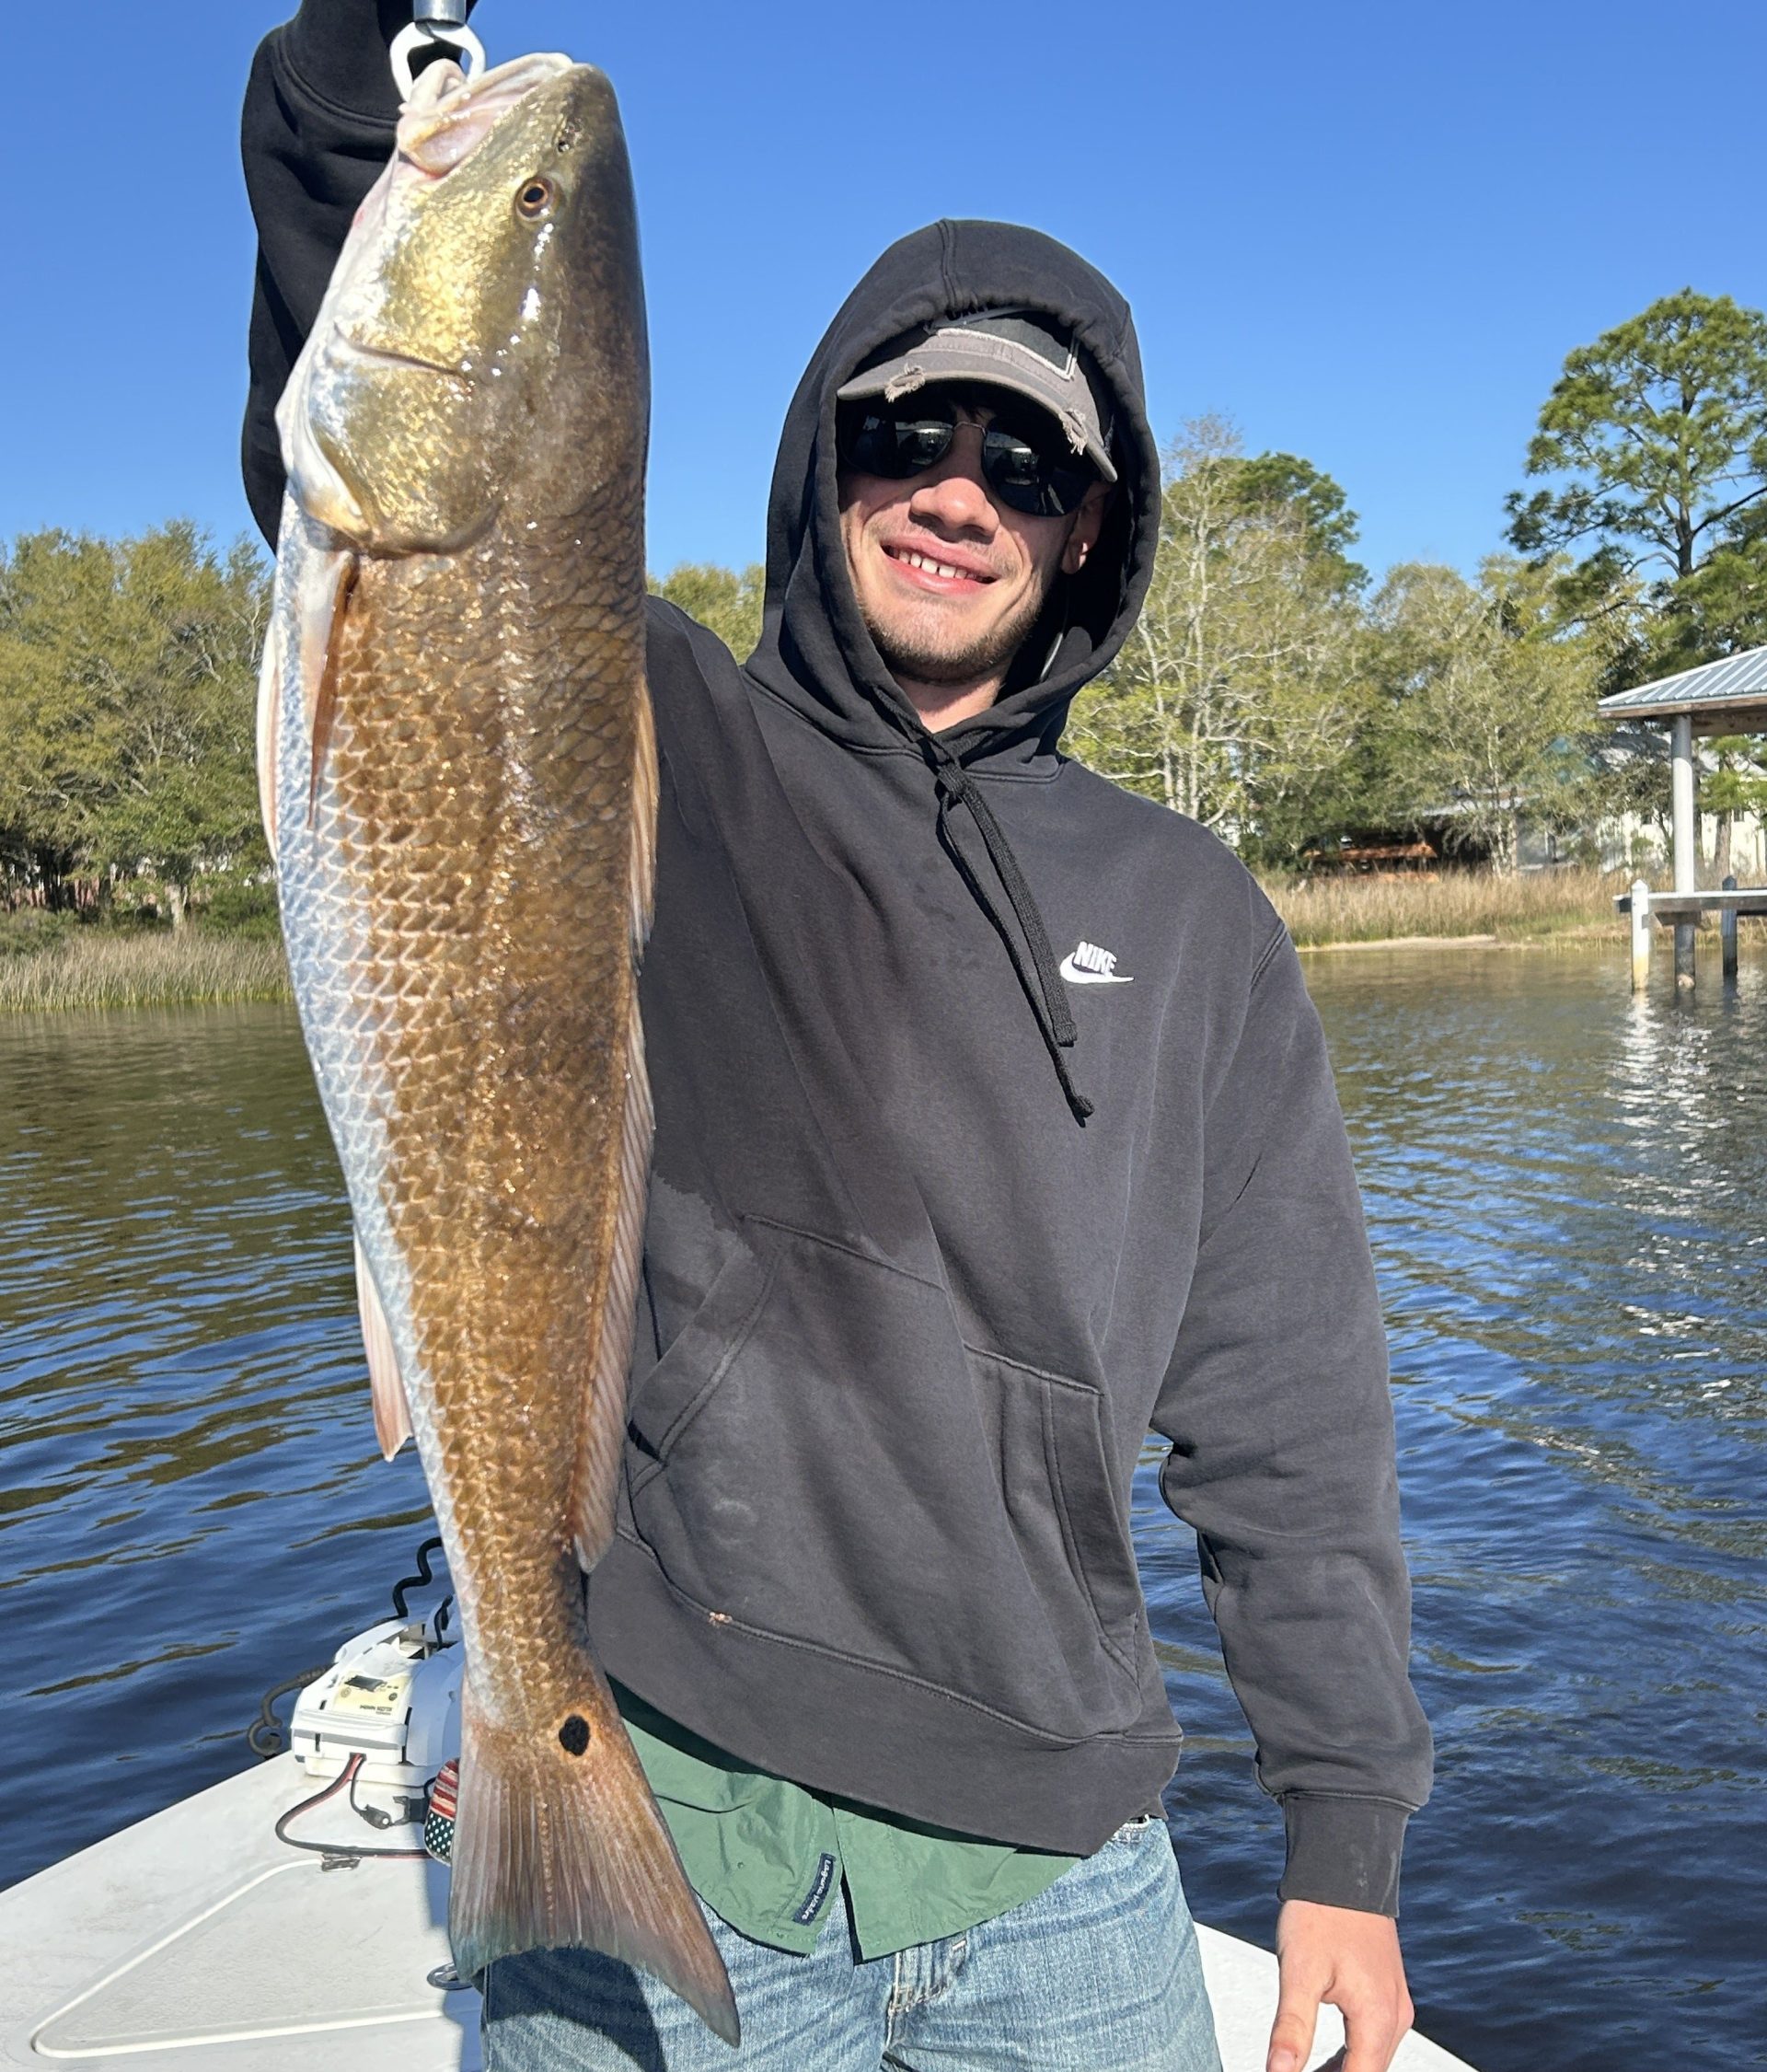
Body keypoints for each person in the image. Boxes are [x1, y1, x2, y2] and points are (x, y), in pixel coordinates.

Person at [240, 8, 1433, 2069]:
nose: (957, 495)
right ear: (824, 461)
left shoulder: (1197, 918)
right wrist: (357, 80)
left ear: (1088, 524)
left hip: (1061, 1865)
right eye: (905, 435)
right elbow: (418, 501)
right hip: (664, 1760)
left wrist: (1345, 1828)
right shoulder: (659, 732)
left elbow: (1292, 1403)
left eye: (1024, 464)